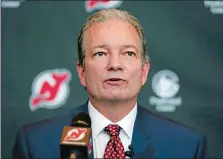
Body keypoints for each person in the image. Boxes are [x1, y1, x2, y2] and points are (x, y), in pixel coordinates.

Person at [12, 8, 208, 159]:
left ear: (144, 70)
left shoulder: (187, 146)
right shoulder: (35, 143)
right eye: (101, 53)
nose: (115, 65)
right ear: (81, 71)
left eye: (128, 53)